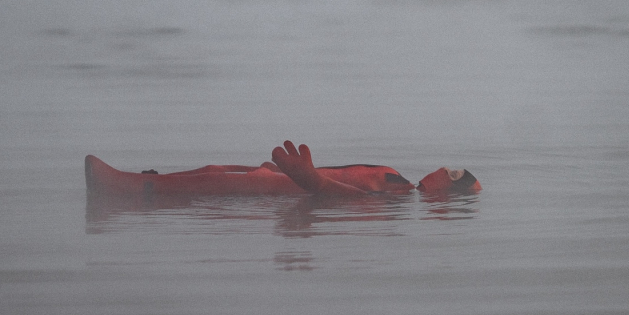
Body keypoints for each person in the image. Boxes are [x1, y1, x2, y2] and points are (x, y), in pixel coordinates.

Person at [85, 140, 480, 197]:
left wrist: (308, 178)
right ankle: (139, 182)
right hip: (282, 179)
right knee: (216, 168)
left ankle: (134, 189)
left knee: (216, 181)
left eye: (454, 175)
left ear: (446, 197)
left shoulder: (398, 196)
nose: (445, 167)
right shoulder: (398, 180)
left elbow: (351, 199)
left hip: (283, 188)